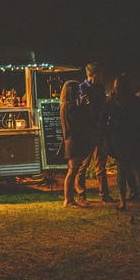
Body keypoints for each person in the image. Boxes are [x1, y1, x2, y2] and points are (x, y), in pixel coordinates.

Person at [105, 73, 140, 212]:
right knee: (139, 171)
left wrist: (107, 136)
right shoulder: (136, 100)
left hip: (119, 139)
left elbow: (104, 119)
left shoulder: (112, 100)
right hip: (136, 137)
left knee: (122, 172)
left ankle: (122, 202)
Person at [76, 62, 115, 203]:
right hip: (88, 131)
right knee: (84, 164)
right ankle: (81, 194)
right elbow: (84, 108)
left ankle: (104, 194)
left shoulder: (99, 88)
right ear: (94, 74)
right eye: (101, 74)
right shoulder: (82, 88)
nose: (103, 77)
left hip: (99, 130)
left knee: (100, 164)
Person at [60, 80, 91, 208]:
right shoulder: (71, 106)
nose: (80, 92)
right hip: (74, 141)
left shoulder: (64, 105)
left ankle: (69, 199)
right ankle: (68, 200)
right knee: (72, 171)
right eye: (77, 90)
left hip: (70, 140)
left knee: (72, 170)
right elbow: (80, 121)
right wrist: (85, 106)